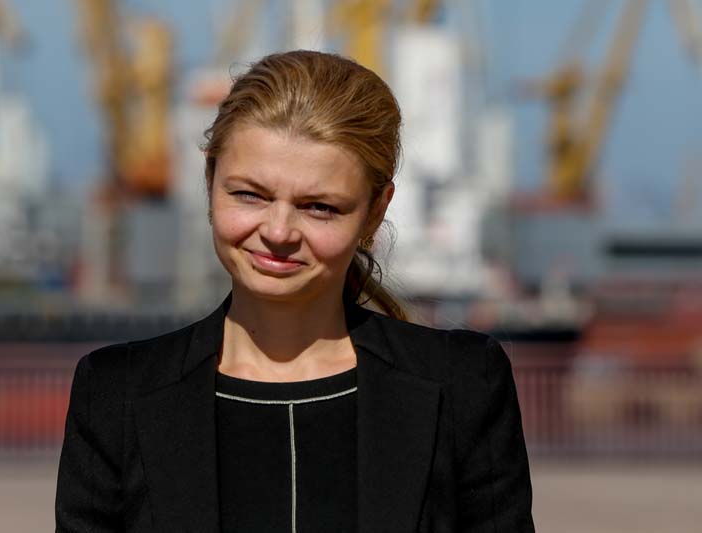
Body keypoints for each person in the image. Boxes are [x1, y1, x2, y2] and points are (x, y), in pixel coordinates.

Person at [55, 50, 535, 532]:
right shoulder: (116, 394)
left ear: (375, 211)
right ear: (209, 181)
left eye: (319, 206)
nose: (279, 231)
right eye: (249, 194)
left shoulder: (463, 385)